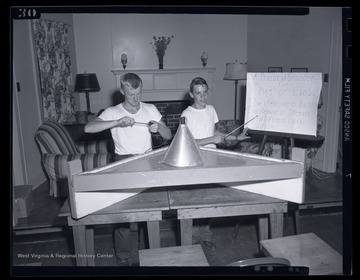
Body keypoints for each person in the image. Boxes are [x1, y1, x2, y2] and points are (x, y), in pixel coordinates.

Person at [85, 73, 172, 265]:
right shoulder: (113, 111)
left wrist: (159, 128)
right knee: (123, 214)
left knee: (148, 210)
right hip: (122, 163)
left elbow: (169, 135)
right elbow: (88, 128)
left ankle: (148, 253)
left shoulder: (150, 109)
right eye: (131, 94)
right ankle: (123, 256)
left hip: (147, 162)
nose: (136, 99)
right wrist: (116, 122)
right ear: (122, 91)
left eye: (139, 93)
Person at [181, 77, 250, 250]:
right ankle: (192, 238)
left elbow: (217, 134)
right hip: (194, 160)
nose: (202, 97)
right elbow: (185, 142)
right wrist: (211, 139)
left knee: (209, 200)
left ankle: (205, 235)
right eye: (198, 93)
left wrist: (237, 137)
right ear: (191, 94)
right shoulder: (186, 114)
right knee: (195, 201)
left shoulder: (211, 110)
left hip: (212, 159)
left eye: (205, 92)